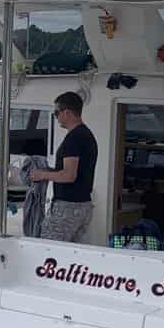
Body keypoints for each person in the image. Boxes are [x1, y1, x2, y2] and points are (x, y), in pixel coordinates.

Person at [30, 91, 98, 242]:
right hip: (84, 206)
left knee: (47, 250)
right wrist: (49, 170)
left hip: (68, 208)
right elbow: (76, 172)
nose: (55, 117)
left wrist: (42, 175)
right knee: (67, 255)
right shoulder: (87, 135)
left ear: (67, 112)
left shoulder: (74, 139)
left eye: (56, 112)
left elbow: (69, 175)